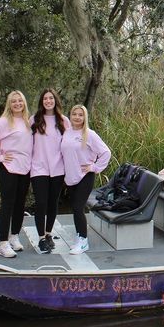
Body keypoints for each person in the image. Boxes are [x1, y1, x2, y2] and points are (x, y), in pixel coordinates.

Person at [0, 90, 33, 258]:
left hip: (25, 169)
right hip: (8, 169)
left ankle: (14, 237)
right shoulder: (3, 122)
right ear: (9, 105)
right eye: (14, 101)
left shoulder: (27, 122)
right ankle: (2, 244)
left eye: (20, 101)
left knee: (20, 205)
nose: (17, 103)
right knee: (7, 205)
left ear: (24, 103)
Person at [60, 105, 111, 255]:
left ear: (85, 117)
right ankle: (79, 237)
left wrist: (94, 167)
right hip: (71, 177)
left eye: (80, 115)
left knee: (77, 207)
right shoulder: (67, 133)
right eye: (74, 114)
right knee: (75, 209)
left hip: (85, 177)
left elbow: (105, 153)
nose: (77, 117)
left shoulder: (89, 134)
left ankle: (83, 241)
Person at [30, 88, 70, 254]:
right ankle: (40, 238)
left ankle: (48, 234)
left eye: (51, 98)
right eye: (45, 98)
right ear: (42, 101)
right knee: (40, 203)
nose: (48, 101)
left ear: (55, 101)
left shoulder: (63, 121)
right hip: (38, 167)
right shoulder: (34, 120)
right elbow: (24, 142)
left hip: (58, 168)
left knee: (53, 203)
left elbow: (70, 144)